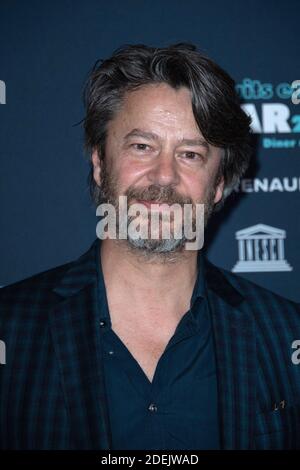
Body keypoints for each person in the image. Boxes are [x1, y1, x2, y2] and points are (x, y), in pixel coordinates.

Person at [0, 43, 299, 450]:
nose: (164, 176)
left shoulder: (285, 335)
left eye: (191, 154)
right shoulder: (12, 330)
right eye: (142, 146)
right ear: (100, 163)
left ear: (219, 185)